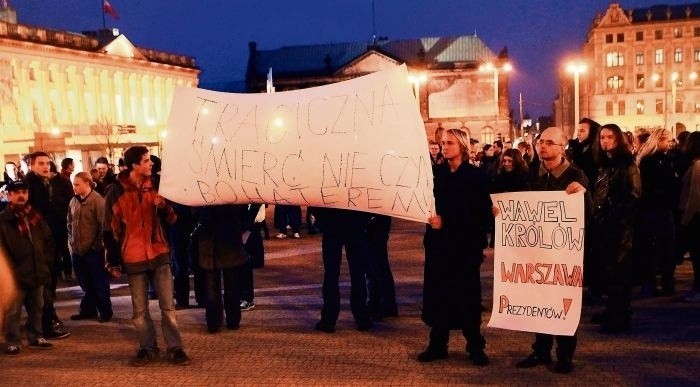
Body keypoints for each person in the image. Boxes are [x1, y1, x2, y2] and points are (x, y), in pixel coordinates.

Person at [511, 126, 591, 374]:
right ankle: (541, 350)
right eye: (540, 142)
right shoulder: (534, 173)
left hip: (565, 254)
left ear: (561, 147)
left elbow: (588, 213)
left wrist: (582, 196)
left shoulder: (575, 175)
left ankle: (565, 354)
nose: (543, 146)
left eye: (549, 142)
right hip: (538, 252)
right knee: (540, 302)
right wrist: (505, 214)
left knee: (562, 303)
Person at [103, 146, 191, 366]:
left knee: (168, 307)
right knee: (140, 311)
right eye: (146, 161)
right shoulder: (116, 191)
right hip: (133, 257)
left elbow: (173, 219)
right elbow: (109, 229)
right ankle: (147, 347)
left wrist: (164, 208)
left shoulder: (158, 187)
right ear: (134, 165)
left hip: (159, 254)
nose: (151, 164)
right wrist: (113, 261)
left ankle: (175, 347)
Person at [418, 128, 490, 366]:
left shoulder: (475, 176)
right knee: (440, 295)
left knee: (468, 297)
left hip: (464, 248)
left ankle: (475, 345)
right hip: (439, 247)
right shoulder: (436, 174)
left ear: (462, 146)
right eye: (442, 143)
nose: (444, 146)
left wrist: (446, 221)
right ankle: (438, 344)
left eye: (449, 143)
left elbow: (478, 212)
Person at [590, 124, 641, 333]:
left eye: (610, 137)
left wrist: (614, 213)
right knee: (609, 271)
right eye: (602, 137)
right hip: (605, 225)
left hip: (621, 227)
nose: (605, 141)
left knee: (620, 272)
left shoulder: (627, 164)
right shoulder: (604, 164)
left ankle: (620, 315)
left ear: (618, 139)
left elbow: (634, 195)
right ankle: (612, 309)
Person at [0, 180, 55, 355]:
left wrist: (46, 261)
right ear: (9, 195)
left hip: (37, 270)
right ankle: (12, 340)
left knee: (37, 307)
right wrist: (10, 269)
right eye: (16, 192)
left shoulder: (35, 216)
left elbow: (48, 239)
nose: (21, 195)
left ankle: (35, 336)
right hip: (15, 273)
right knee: (13, 311)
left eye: (24, 191)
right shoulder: (3, 219)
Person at [23, 152, 71, 340]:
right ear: (31, 165)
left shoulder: (45, 183)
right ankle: (46, 324)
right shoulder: (30, 185)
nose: (46, 167)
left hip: (50, 240)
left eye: (48, 163)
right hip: (40, 242)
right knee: (44, 285)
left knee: (48, 283)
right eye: (41, 163)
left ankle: (47, 321)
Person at [191, 204, 251, 333]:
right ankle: (216, 321)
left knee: (230, 286)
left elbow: (245, 206)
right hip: (211, 241)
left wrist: (246, 226)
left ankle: (228, 320)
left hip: (228, 238)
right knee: (214, 287)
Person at [635, 128, 679, 297]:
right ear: (659, 140)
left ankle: (656, 284)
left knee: (658, 249)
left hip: (655, 209)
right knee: (659, 249)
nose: (671, 143)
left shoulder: (658, 159)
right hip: (655, 209)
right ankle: (659, 284)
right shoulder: (653, 161)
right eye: (668, 140)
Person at [314, 207, 373, 333]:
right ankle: (361, 317)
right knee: (357, 273)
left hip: (332, 223)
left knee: (331, 274)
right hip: (355, 223)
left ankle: (329, 320)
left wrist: (319, 217)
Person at [67, 172, 112, 322]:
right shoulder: (74, 201)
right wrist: (72, 242)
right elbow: (69, 222)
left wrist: (96, 245)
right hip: (77, 250)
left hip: (93, 251)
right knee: (85, 284)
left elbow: (103, 226)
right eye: (74, 184)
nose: (74, 187)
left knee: (99, 283)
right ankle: (88, 310)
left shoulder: (97, 201)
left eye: (77, 184)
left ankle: (105, 311)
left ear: (87, 183)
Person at [680, 132, 700, 302]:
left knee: (698, 255)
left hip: (696, 218)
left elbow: (694, 196)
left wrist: (685, 218)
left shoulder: (698, 166)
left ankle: (698, 289)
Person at [366, 214, 398, 320]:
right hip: (373, 220)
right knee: (372, 265)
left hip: (378, 220)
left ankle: (387, 304)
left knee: (378, 264)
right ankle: (376, 301)